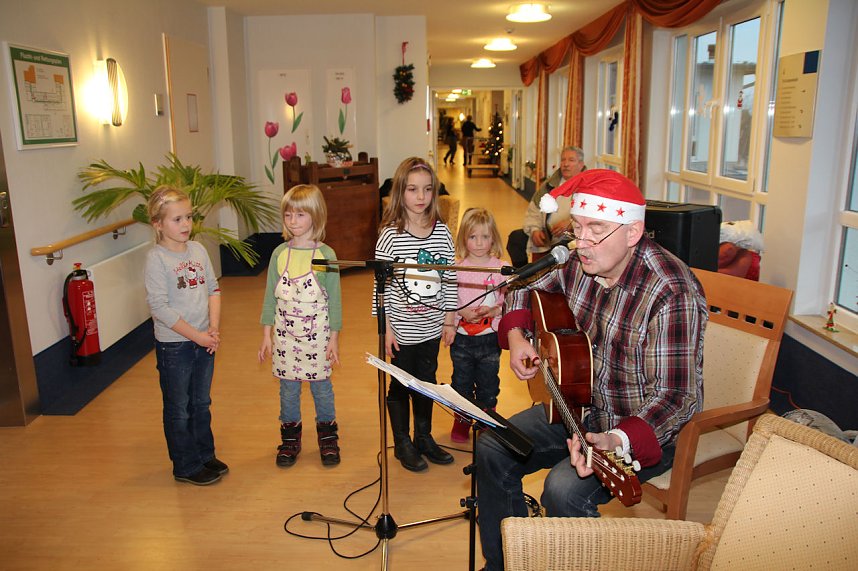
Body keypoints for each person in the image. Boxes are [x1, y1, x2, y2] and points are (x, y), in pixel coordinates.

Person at [476, 169, 708, 571]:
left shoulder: (670, 292)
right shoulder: (580, 261)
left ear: (633, 233)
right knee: (492, 445)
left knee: (563, 489)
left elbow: (677, 397)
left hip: (639, 427)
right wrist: (516, 336)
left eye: (595, 229)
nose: (580, 243)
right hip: (577, 406)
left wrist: (617, 439)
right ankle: (506, 563)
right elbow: (521, 286)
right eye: (576, 226)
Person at [375, 156, 457, 472]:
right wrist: (387, 329)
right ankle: (402, 443)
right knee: (400, 385)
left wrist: (450, 319)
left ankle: (423, 437)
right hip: (401, 328)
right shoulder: (390, 235)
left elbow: (450, 279)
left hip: (432, 328)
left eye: (426, 189)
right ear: (400, 192)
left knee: (426, 382)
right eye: (412, 189)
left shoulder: (442, 233)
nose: (420, 197)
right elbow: (380, 287)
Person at [144, 186, 227, 486]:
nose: (186, 225)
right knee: (179, 407)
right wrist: (198, 336)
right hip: (175, 346)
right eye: (177, 219)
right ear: (158, 224)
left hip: (204, 339)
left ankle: (205, 454)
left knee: (201, 402)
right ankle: (186, 464)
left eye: (188, 217)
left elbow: (212, 290)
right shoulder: (157, 259)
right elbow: (159, 308)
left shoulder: (199, 250)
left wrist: (212, 328)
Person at [258, 184, 343, 467]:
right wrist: (266, 334)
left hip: (317, 336)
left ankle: (328, 438)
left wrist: (334, 339)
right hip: (285, 336)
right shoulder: (279, 254)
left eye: (300, 215)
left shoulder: (326, 255)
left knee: (321, 388)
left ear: (316, 216)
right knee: (288, 390)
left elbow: (335, 302)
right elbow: (270, 295)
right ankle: (290, 440)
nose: (293, 221)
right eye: (288, 215)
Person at [449, 208, 506, 443]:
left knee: (488, 382)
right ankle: (462, 418)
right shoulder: (457, 268)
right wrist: (454, 321)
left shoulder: (501, 268)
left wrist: (493, 310)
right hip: (462, 337)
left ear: (493, 237)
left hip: (489, 337)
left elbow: (507, 301)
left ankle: (486, 419)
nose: (479, 242)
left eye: (484, 236)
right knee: (460, 381)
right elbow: (450, 299)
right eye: (472, 237)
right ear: (464, 238)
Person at [522, 146, 586, 259]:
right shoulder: (549, 185)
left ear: (581, 165)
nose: (566, 164)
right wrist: (534, 230)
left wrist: (572, 223)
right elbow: (534, 209)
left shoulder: (588, 187)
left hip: (571, 238)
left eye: (571, 160)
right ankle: (523, 275)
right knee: (515, 239)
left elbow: (592, 218)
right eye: (563, 160)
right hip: (546, 234)